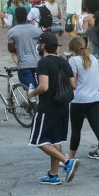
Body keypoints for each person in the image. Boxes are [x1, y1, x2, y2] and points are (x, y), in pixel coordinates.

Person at [26, 32, 79, 186]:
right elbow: (73, 85)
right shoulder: (64, 62)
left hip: (47, 106)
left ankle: (67, 161)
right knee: (55, 139)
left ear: (42, 45)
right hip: (63, 105)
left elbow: (44, 86)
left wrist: (31, 93)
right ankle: (53, 174)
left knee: (39, 140)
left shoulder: (44, 63)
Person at [65, 36, 99, 170]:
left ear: (72, 48)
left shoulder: (73, 60)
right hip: (94, 98)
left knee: (76, 129)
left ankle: (70, 157)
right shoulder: (93, 59)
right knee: (98, 127)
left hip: (79, 99)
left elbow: (73, 83)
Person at [6, 6, 42, 90]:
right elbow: (41, 46)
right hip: (38, 62)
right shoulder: (37, 30)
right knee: (39, 88)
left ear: (16, 17)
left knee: (30, 89)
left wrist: (19, 49)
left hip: (24, 63)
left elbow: (11, 49)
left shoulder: (12, 32)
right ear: (26, 16)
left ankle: (32, 101)